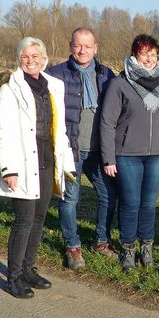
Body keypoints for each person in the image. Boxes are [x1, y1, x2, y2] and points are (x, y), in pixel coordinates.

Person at [0, 37, 75, 299]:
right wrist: (9, 169)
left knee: (39, 219)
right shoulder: (9, 89)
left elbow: (59, 128)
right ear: (19, 58)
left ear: (44, 58)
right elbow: (3, 132)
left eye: (36, 56)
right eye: (25, 56)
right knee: (24, 220)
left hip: (47, 158)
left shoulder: (54, 86)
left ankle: (29, 268)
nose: (31, 61)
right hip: (22, 161)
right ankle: (14, 277)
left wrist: (67, 163)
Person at [100, 34, 159, 271]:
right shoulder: (120, 83)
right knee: (131, 203)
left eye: (153, 54)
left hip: (158, 155)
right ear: (135, 54)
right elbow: (107, 122)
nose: (149, 59)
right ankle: (128, 250)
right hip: (127, 155)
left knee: (149, 204)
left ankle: (147, 247)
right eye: (145, 54)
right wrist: (108, 157)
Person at [47, 27, 117, 271]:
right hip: (71, 150)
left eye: (88, 46)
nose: (83, 50)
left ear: (96, 48)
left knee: (109, 196)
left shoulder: (107, 75)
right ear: (70, 46)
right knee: (70, 199)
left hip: (100, 152)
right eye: (78, 45)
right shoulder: (55, 74)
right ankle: (73, 246)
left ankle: (102, 241)